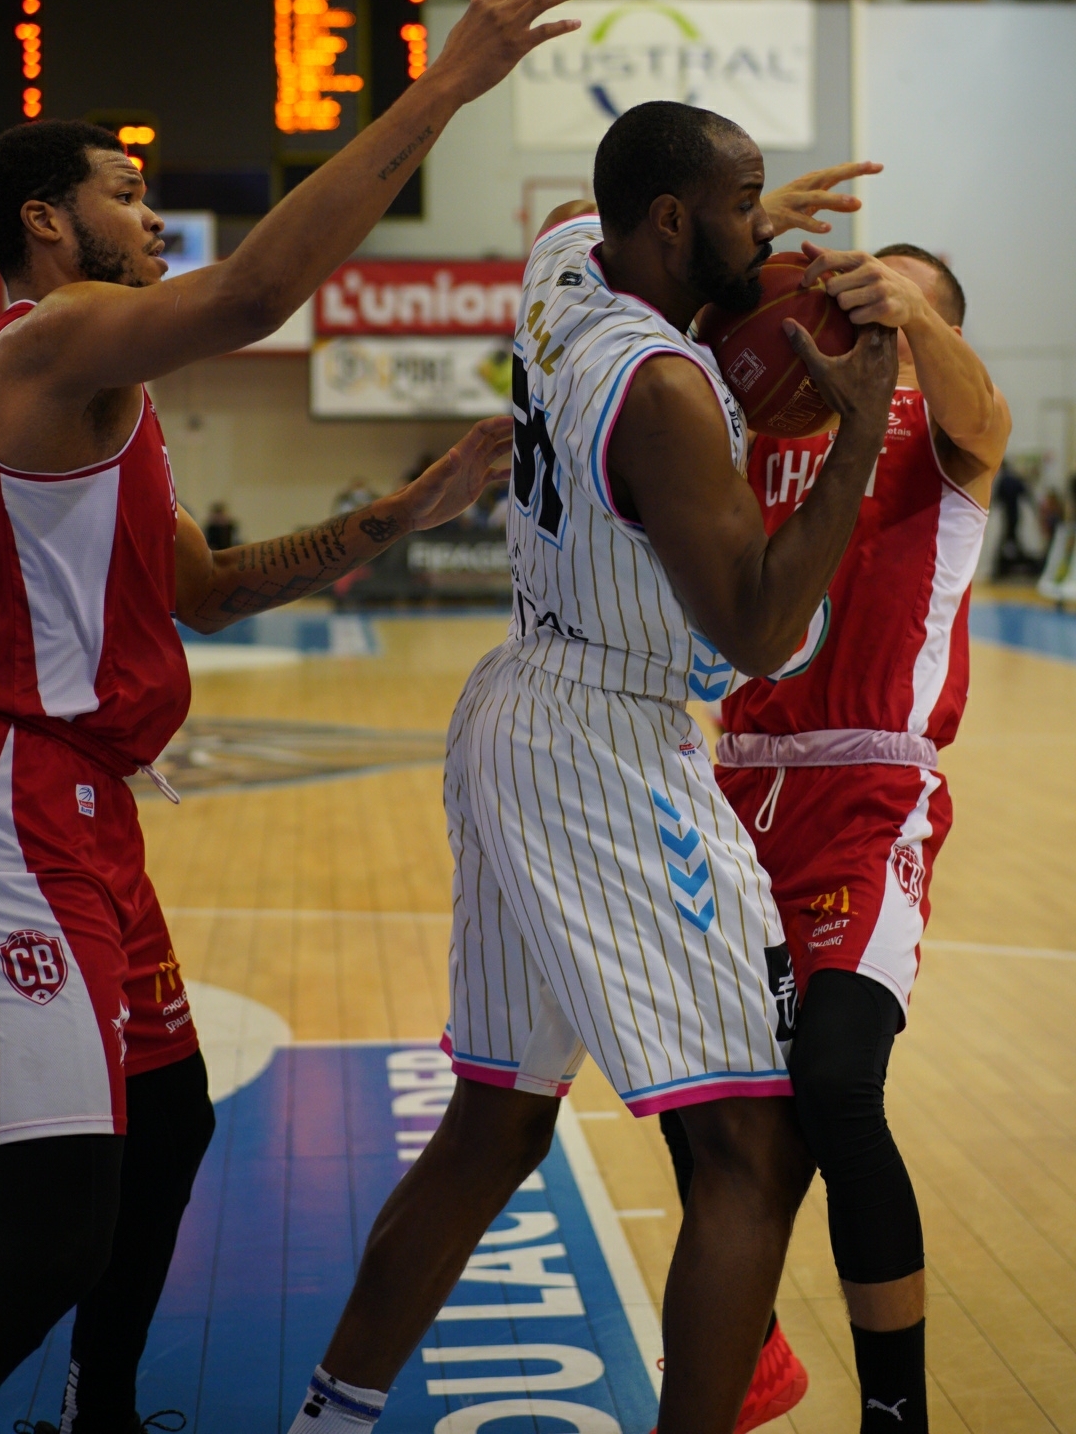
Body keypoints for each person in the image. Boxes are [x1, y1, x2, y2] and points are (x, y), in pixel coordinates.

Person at [0, 0, 583, 1434]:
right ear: (46, 222)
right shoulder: (45, 346)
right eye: (127, 193)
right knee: (63, 1211)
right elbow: (261, 289)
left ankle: (101, 1409)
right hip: (19, 800)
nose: (153, 219)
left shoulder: (98, 399)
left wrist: (413, 503)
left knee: (175, 1121)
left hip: (87, 810)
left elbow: (202, 592)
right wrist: (447, 88)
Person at [285, 100, 897, 1434]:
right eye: (738, 199)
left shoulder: (560, 267)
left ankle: (326, 1420)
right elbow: (758, 624)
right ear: (672, 223)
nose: (761, 217)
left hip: (516, 704)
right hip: (609, 748)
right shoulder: (668, 390)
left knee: (495, 1126)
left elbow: (609, 206)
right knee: (753, 1145)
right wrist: (856, 432)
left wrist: (761, 226)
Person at [666, 238, 1009, 1434]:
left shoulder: (948, 430)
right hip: (733, 789)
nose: (863, 296)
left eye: (895, 292)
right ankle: (751, 1351)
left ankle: (895, 1411)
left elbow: (986, 409)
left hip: (870, 793)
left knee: (834, 1087)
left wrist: (915, 313)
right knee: (703, 1096)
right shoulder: (775, 423)